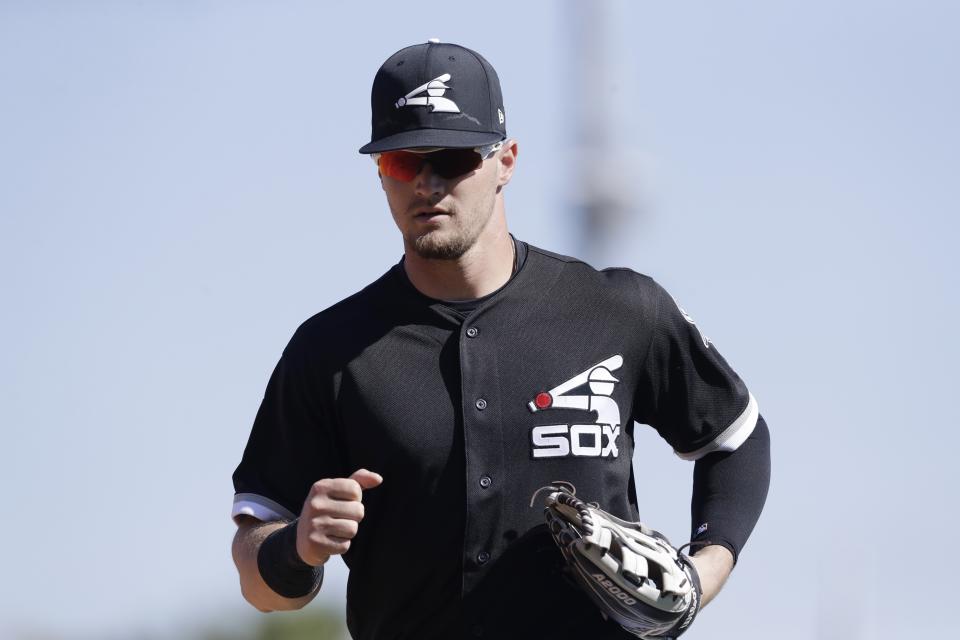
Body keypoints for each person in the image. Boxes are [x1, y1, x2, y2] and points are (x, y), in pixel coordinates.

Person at [231, 39, 771, 639]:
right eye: (404, 162)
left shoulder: (617, 309)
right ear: (381, 175)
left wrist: (703, 574)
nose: (429, 183)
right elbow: (257, 571)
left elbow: (736, 438)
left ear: (506, 161)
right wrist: (296, 549)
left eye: (455, 159)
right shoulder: (331, 350)